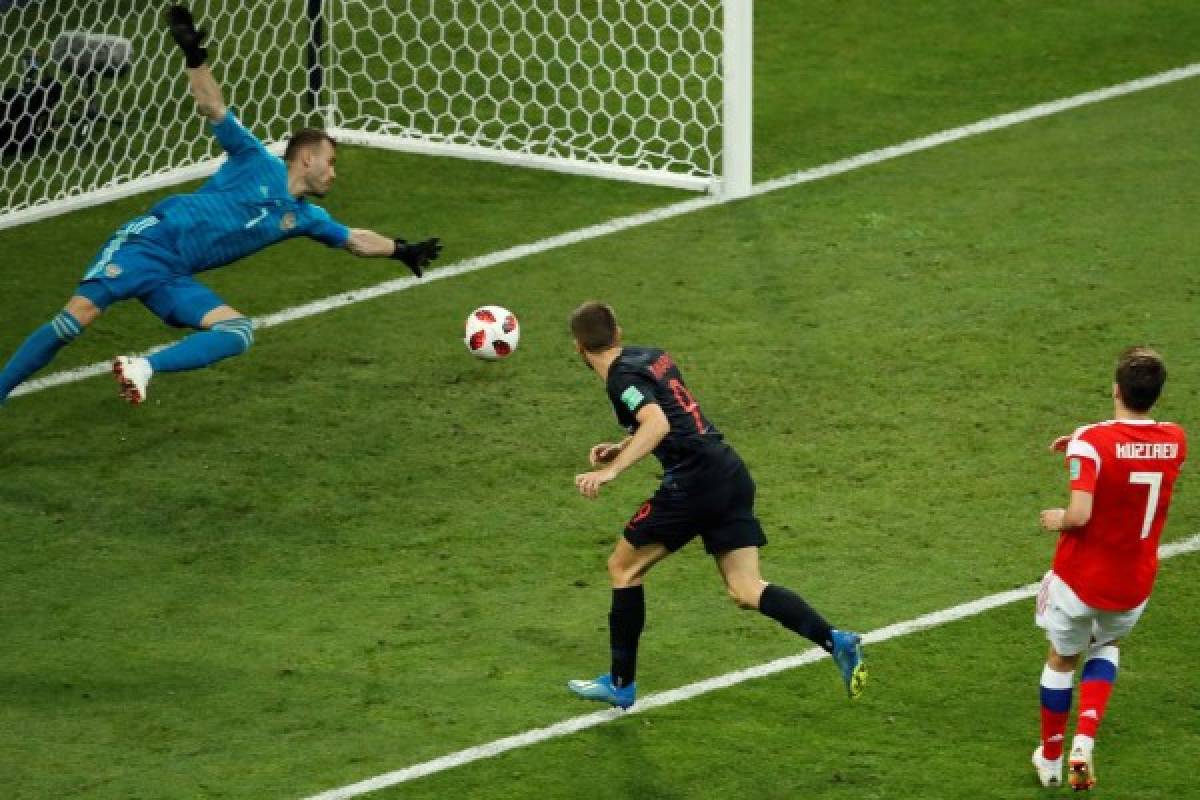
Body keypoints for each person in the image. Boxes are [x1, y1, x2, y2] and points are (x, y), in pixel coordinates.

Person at [0, 5, 441, 407]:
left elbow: (355, 240)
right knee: (76, 318)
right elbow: (212, 106)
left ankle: (144, 367)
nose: (333, 173)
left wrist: (401, 250)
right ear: (306, 158)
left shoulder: (305, 217)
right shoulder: (253, 157)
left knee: (238, 331)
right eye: (330, 162)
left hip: (174, 274)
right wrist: (194, 55)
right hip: (149, 243)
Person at [565, 301, 867, 709]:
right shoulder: (651, 356)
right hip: (728, 471)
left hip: (693, 484)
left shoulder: (621, 380)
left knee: (623, 568)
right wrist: (619, 446)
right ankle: (836, 641)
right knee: (746, 589)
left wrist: (612, 470)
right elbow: (669, 414)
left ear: (579, 348)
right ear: (617, 332)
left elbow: (658, 423)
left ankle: (621, 683)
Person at [1031, 346, 1186, 791]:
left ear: (1116, 389)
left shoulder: (1092, 441)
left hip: (1080, 579)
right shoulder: (1176, 438)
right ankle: (1084, 742)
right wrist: (1082, 445)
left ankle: (1053, 760)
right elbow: (1136, 453)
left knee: (1062, 658)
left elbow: (1080, 514)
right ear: (1155, 395)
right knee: (1107, 643)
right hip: (1133, 583)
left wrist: (1057, 516)